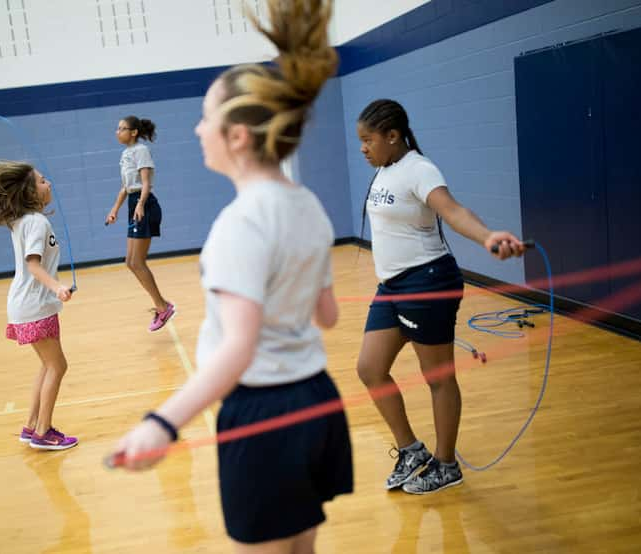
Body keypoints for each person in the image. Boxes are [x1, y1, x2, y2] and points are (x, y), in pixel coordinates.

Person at [111, 1, 353, 552]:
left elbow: (239, 349)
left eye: (206, 118)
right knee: (302, 548)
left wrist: (162, 422)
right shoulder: (309, 205)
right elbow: (328, 315)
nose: (199, 129)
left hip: (262, 412)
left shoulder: (238, 225)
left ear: (238, 135)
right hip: (317, 401)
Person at [355, 98, 525, 494]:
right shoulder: (385, 168)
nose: (363, 148)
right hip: (393, 286)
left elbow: (451, 209)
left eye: (368, 140)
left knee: (437, 377)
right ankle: (412, 450)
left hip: (427, 282)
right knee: (370, 368)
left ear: (392, 136)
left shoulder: (419, 169)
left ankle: (447, 465)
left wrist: (487, 237)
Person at [0, 160, 78, 450]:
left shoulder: (25, 221)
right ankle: (44, 432)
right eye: (42, 181)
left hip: (30, 304)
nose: (49, 184)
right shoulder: (36, 222)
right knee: (58, 365)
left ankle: (31, 427)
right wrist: (57, 287)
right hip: (34, 304)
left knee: (48, 365)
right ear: (30, 192)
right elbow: (34, 265)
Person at [105, 116, 175, 332]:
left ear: (133, 132)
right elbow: (126, 187)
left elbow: (145, 183)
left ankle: (162, 307)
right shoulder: (125, 154)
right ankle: (162, 305)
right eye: (116, 128)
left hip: (144, 205)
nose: (117, 132)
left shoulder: (141, 151)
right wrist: (114, 210)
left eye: (122, 128)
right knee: (130, 261)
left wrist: (141, 204)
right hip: (133, 204)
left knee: (137, 261)